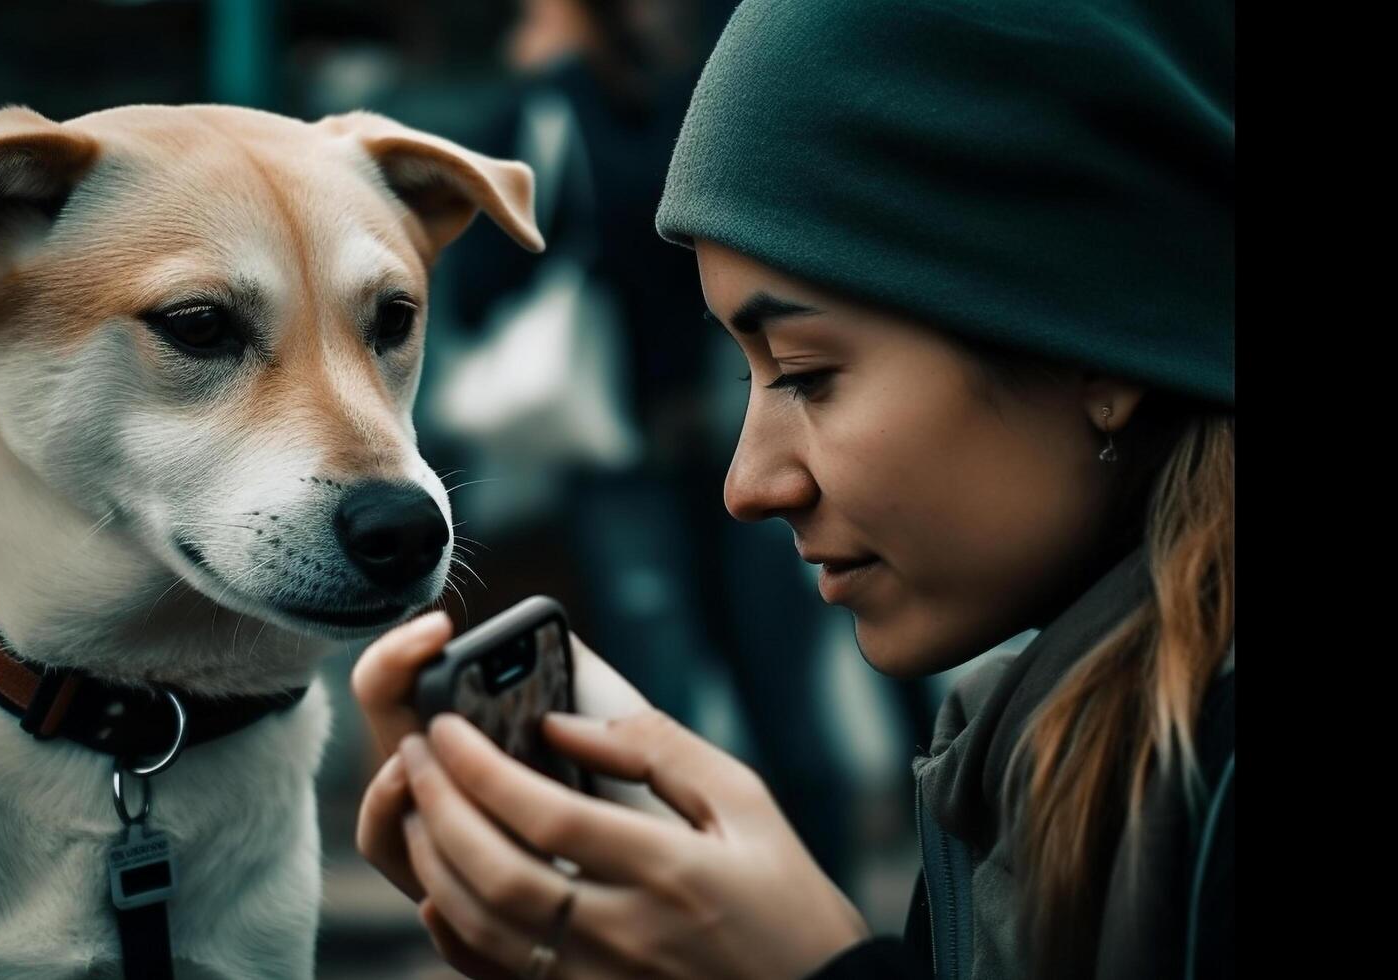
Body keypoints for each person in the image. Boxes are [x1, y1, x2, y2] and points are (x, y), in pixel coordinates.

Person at [350, 0, 1234, 977]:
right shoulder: (1037, 747)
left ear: (1097, 347)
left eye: (806, 371)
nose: (750, 484)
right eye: (747, 371)